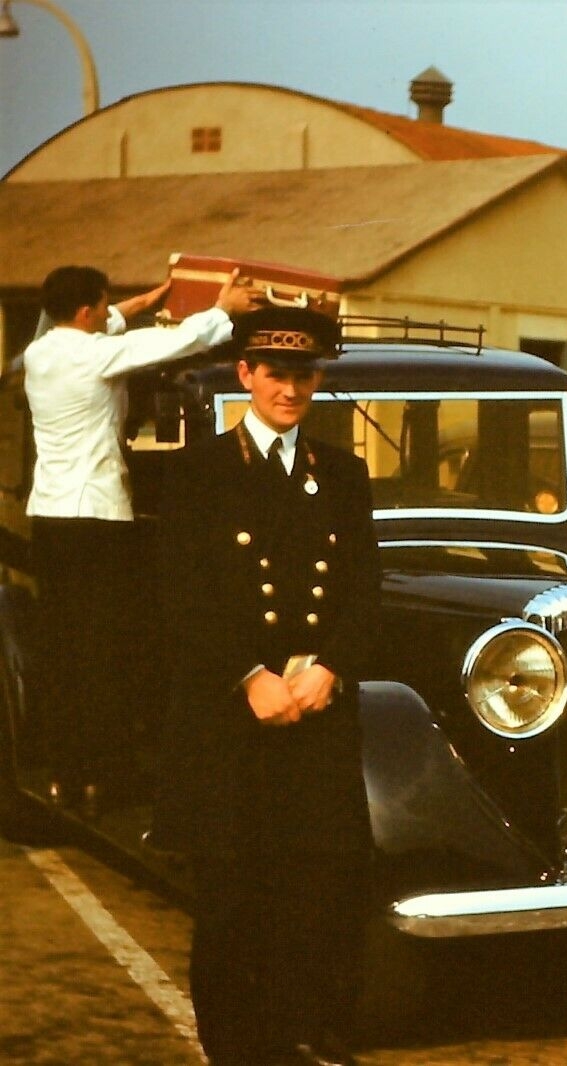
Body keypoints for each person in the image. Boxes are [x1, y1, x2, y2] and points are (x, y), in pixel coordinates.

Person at [156, 307, 379, 1066]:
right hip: (232, 715)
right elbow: (179, 594)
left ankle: (311, 1034)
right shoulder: (195, 470)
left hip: (316, 709)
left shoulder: (342, 474)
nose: (291, 388)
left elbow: (364, 589)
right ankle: (237, 1048)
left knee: (320, 888)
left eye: (305, 374)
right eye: (275, 373)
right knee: (232, 897)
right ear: (244, 374)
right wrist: (247, 676)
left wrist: (329, 668)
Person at [22, 264, 258, 813]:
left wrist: (140, 302)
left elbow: (108, 330)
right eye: (104, 305)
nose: (109, 313)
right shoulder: (96, 356)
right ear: (86, 311)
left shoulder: (42, 353)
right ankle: (109, 776)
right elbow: (175, 342)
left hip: (50, 517)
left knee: (63, 648)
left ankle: (65, 774)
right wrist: (223, 309)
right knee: (105, 651)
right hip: (96, 518)